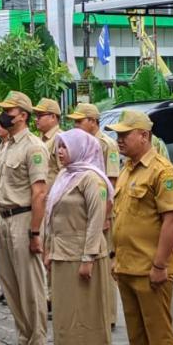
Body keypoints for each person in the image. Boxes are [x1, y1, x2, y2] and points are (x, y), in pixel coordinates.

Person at [107, 109, 173, 345]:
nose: (119, 140)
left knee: (158, 330)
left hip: (151, 267)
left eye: (125, 134)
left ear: (144, 135)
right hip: (128, 265)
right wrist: (115, 256)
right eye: (118, 135)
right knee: (137, 331)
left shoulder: (162, 172)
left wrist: (160, 265)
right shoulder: (127, 169)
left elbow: (171, 221)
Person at [43, 129, 115, 345]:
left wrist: (88, 257)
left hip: (83, 256)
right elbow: (51, 216)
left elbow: (97, 220)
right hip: (62, 254)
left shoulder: (92, 179)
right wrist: (48, 248)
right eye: (59, 147)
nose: (60, 152)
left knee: (86, 315)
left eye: (65, 147)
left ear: (80, 148)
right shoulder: (65, 176)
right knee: (65, 316)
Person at [0, 91, 51, 345]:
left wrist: (35, 232)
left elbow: (39, 192)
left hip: (24, 218)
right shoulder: (5, 146)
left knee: (30, 285)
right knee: (11, 284)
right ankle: (24, 340)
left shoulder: (33, 147)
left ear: (23, 115)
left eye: (9, 111)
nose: (4, 115)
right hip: (3, 218)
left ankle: (38, 344)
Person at [69, 103, 120, 329]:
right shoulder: (81, 144)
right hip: (84, 213)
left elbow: (112, 182)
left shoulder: (106, 144)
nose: (75, 125)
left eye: (79, 121)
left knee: (104, 262)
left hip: (102, 211)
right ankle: (91, 312)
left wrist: (105, 216)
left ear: (92, 121)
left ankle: (108, 316)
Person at [35, 97, 64, 186]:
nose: (36, 119)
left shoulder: (61, 139)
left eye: (40, 116)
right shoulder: (39, 139)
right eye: (36, 116)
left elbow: (65, 172)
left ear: (53, 117)